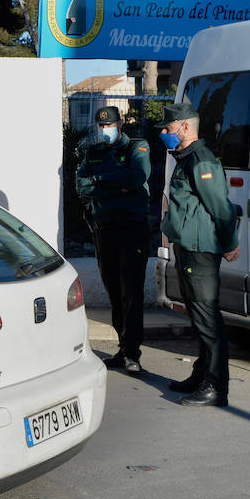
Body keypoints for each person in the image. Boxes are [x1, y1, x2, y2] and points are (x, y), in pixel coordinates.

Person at [159, 100, 240, 408]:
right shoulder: (186, 158)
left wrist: (230, 242)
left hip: (201, 250)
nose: (164, 132)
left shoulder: (201, 161)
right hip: (188, 247)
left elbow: (220, 207)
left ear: (184, 127)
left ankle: (216, 387)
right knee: (198, 316)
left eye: (168, 127)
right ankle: (201, 373)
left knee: (207, 317)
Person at [76, 105, 151, 375]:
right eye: (101, 125)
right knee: (113, 290)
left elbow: (136, 177)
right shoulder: (94, 153)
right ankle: (122, 348)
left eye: (109, 125)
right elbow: (81, 185)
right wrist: (113, 185)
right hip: (103, 228)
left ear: (120, 124)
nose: (104, 129)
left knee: (131, 291)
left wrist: (100, 182)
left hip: (131, 228)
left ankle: (132, 352)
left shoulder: (136, 148)